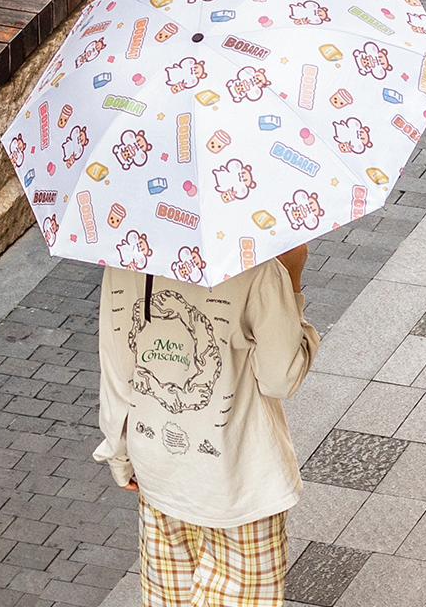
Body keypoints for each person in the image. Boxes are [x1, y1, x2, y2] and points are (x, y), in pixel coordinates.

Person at [93, 244, 320, 607]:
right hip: (241, 477)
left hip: (159, 467)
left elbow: (118, 368)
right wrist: (291, 277)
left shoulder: (125, 260)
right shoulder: (257, 265)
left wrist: (118, 454)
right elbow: (281, 378)